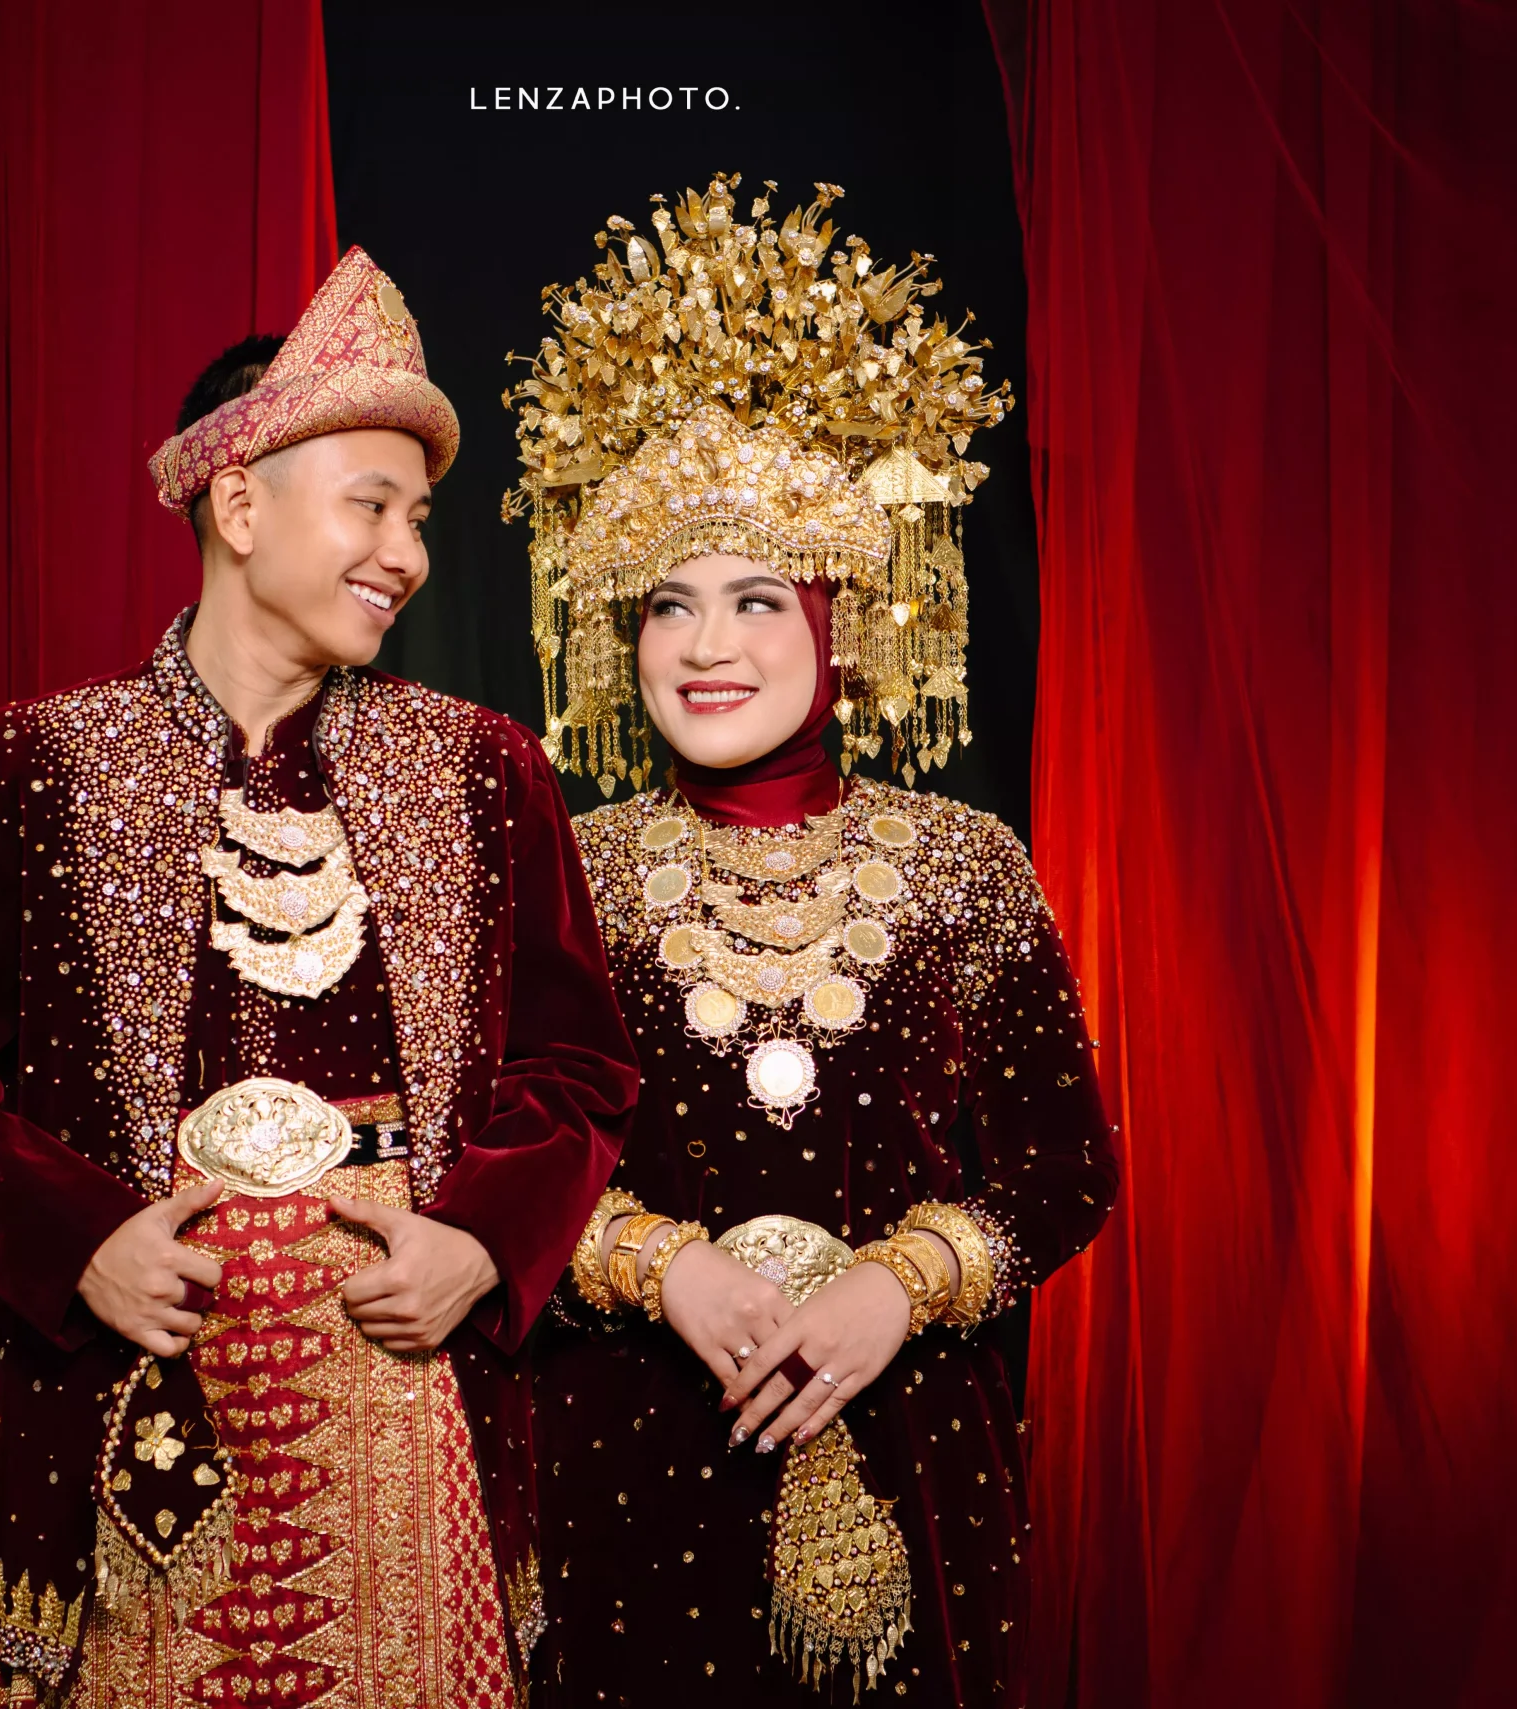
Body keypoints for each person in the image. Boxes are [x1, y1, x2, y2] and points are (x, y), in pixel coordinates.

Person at [0, 247, 638, 1708]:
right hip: (135, 1387)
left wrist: (482, 1244)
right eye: (371, 506)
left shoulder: (484, 771)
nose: (407, 554)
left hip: (411, 1383)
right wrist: (80, 1239)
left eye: (419, 520)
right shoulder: (22, 771)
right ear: (238, 504)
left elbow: (580, 1069)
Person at [507, 178, 1119, 1704]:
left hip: (912, 1450)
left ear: (847, 625)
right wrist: (660, 1270)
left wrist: (895, 1289)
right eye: (669, 605)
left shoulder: (964, 866)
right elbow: (495, 1159)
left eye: (757, 600)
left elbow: (1062, 1170)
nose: (707, 647)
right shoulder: (566, 870)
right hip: (627, 1450)